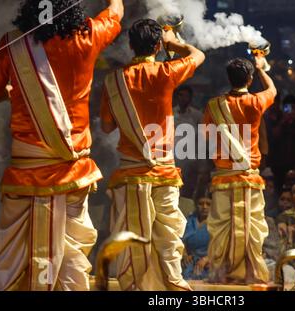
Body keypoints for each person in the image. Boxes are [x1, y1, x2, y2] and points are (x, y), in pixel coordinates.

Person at [0, 0, 124, 290]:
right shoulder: (88, 34)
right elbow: (116, 12)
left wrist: (14, 93)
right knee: (70, 251)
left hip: (25, 175)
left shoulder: (13, 45)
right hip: (72, 174)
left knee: (13, 254)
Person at [100, 19, 205, 290]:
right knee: (168, 237)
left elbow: (107, 126)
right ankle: (172, 287)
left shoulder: (114, 80)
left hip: (130, 173)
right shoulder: (166, 72)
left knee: (132, 238)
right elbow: (197, 55)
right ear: (158, 45)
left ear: (130, 45)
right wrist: (174, 43)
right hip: (164, 172)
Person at [203, 57, 277, 284]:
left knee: (221, 227)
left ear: (228, 79)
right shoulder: (256, 102)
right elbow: (272, 89)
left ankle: (220, 275)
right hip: (249, 179)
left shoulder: (214, 105)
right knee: (251, 229)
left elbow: (207, 136)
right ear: (250, 79)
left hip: (223, 179)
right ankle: (250, 275)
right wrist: (262, 67)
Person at [268, 95, 295, 191]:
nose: (290, 111)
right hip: (279, 165)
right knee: (278, 190)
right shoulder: (278, 122)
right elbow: (273, 135)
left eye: (293, 108)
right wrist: (283, 120)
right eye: (287, 108)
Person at [173, 86, 203, 199]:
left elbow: (203, 139)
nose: (183, 98)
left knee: (188, 192)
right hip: (174, 161)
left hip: (191, 162)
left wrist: (201, 163)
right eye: (181, 95)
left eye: (186, 95)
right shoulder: (169, 114)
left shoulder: (197, 116)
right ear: (176, 97)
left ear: (190, 98)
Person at [182, 195, 211, 280]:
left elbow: (221, 247)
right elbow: (180, 239)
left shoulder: (216, 223)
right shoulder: (189, 220)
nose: (204, 207)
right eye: (201, 204)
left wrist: (207, 259)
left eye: (208, 204)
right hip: (190, 262)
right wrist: (185, 254)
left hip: (209, 264)